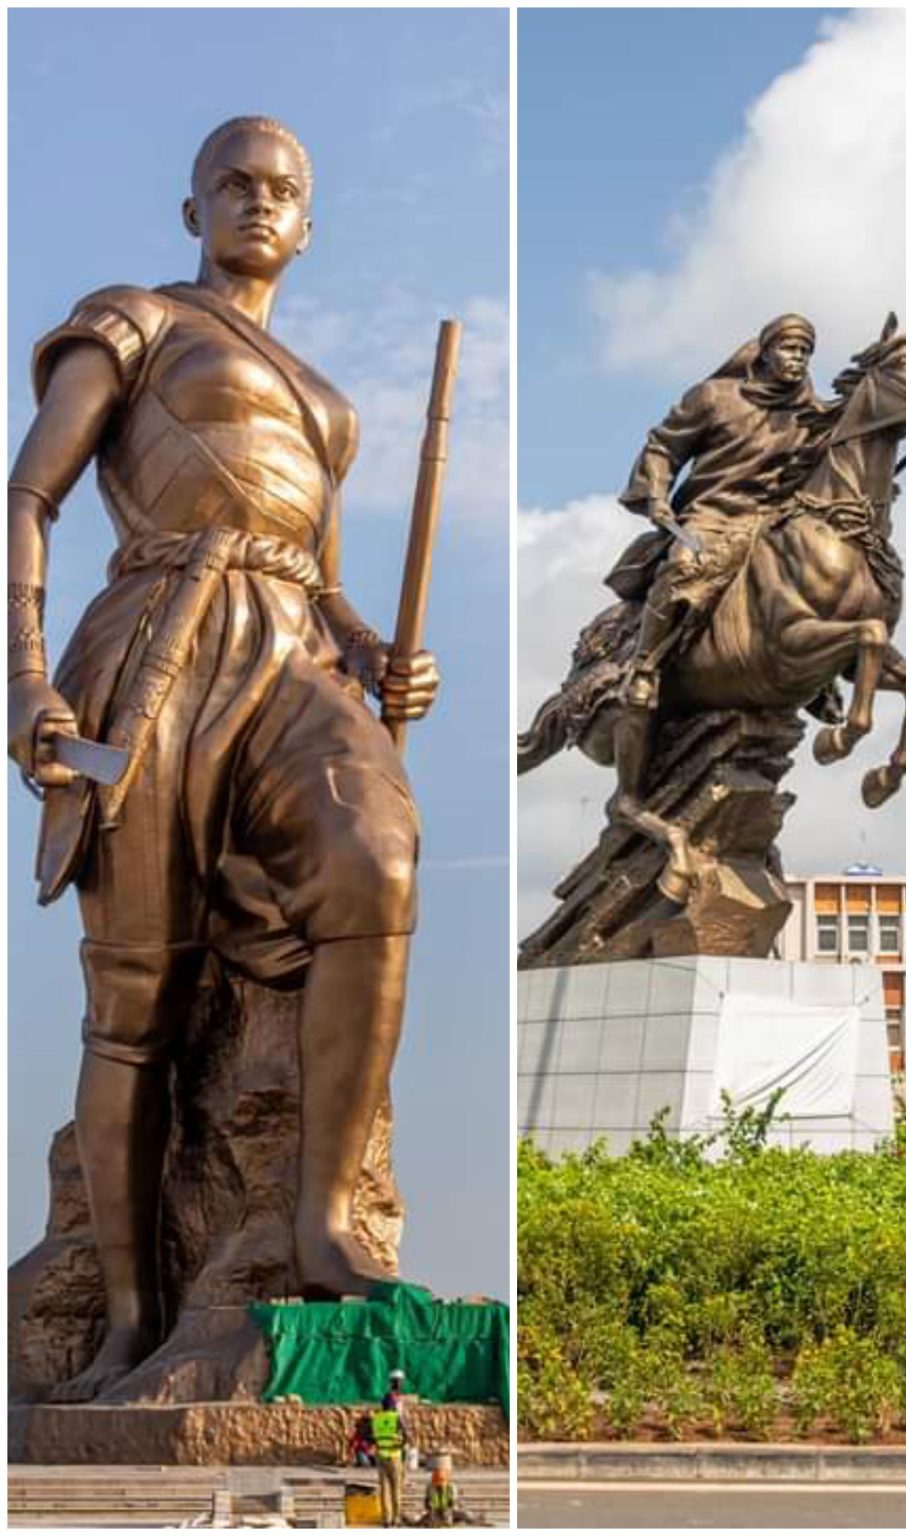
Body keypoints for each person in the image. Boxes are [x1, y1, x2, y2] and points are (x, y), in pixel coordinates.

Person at [7, 117, 439, 1401]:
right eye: (234, 184)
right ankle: (130, 1315)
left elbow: (329, 581)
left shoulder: (329, 404)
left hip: (294, 653)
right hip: (159, 640)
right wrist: (25, 676)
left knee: (378, 862)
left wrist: (378, 653)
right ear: (192, 208)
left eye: (283, 190)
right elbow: (28, 497)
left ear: (309, 224)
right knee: (137, 994)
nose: (259, 202)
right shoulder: (133, 319)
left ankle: (324, 1225)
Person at [602, 314, 837, 866]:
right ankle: (647, 664)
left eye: (805, 351)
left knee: (825, 578)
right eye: (789, 348)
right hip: (713, 518)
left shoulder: (811, 413)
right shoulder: (715, 398)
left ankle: (823, 675)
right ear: (765, 350)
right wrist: (656, 493)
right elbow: (663, 447)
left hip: (772, 523)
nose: (797, 359)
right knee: (685, 570)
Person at [370, 1399, 409, 1527]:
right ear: (393, 1406)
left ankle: (386, 1519)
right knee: (396, 1488)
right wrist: (400, 1445)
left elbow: (372, 1437)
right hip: (394, 1456)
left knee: (384, 1489)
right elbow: (407, 1436)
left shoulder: (376, 1418)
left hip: (381, 1456)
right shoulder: (396, 1418)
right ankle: (396, 1519)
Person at [423, 1458, 460, 1527]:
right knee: (433, 1522)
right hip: (435, 1511)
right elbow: (426, 1501)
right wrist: (429, 1506)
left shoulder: (451, 1487)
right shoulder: (430, 1487)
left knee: (449, 1520)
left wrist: (449, 1507)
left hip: (448, 1511)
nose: (439, 1485)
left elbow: (454, 1502)